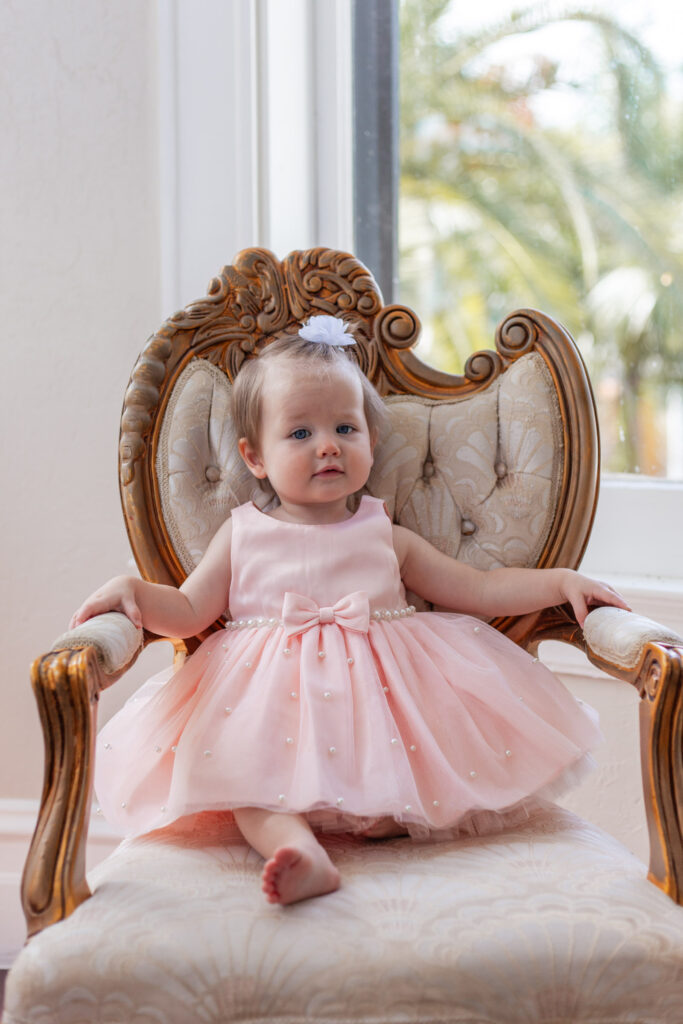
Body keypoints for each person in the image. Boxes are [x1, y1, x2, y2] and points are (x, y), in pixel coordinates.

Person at [71, 314, 630, 906]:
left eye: (345, 427)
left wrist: (558, 583)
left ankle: (379, 822)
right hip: (269, 706)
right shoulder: (243, 535)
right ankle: (301, 852)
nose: (328, 444)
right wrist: (132, 591)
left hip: (384, 701)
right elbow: (187, 608)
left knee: (411, 772)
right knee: (248, 788)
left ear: (370, 439)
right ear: (254, 457)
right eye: (300, 434)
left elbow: (479, 589)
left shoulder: (384, 534)